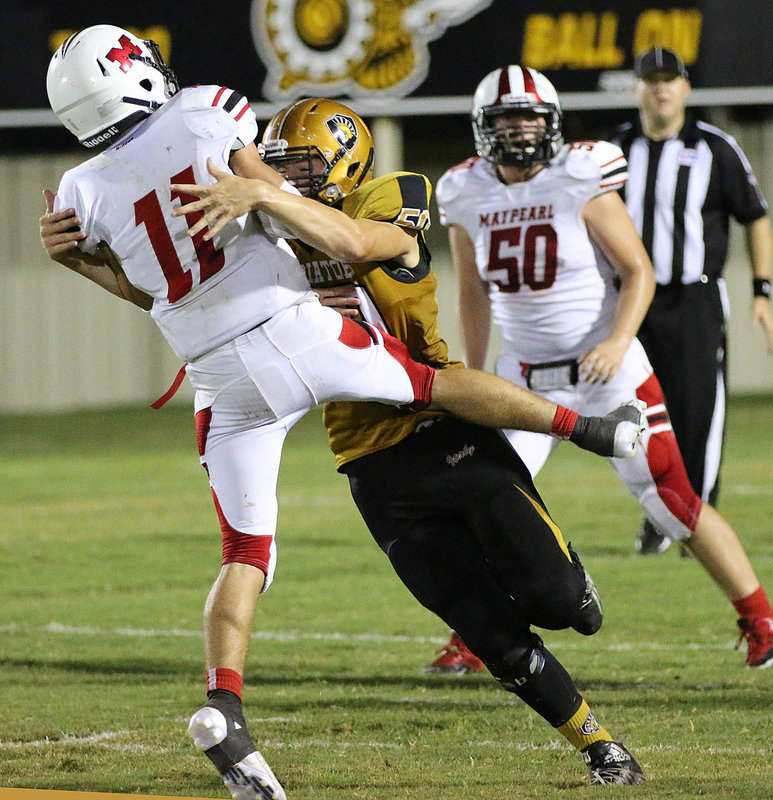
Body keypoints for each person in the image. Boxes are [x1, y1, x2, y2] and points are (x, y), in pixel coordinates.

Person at [41, 28, 646, 799]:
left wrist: (263, 195)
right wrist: (245, 205)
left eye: (301, 161)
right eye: (274, 158)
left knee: (566, 606)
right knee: (487, 632)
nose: (281, 169)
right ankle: (599, 747)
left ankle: (591, 432)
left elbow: (357, 238)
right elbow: (174, 278)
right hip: (368, 459)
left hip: (432, 436)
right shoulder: (247, 205)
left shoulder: (381, 197)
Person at [436, 64, 773, 671]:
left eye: (531, 117)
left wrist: (618, 342)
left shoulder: (579, 174)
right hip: (520, 376)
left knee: (671, 501)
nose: (520, 130)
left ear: (552, 121)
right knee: (484, 500)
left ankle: (760, 618)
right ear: (484, 126)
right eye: (507, 118)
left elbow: (636, 270)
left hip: (605, 371)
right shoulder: (464, 190)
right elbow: (473, 291)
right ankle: (477, 637)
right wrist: (473, 372)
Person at [613, 47, 773, 556]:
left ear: (685, 88)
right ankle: (657, 518)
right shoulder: (614, 150)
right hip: (633, 301)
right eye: (650, 80)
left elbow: (755, 215)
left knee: (698, 412)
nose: (661, 89)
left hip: (696, 297)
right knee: (636, 413)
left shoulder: (715, 148)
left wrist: (762, 290)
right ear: (635, 89)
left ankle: (696, 522)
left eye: (670, 80)